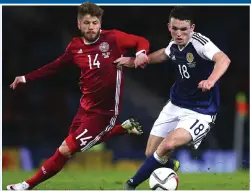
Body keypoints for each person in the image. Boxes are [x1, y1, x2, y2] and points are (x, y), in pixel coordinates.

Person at [7, 2, 150, 190]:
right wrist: (26, 77)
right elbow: (55, 65)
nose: (91, 27)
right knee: (70, 149)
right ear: (79, 25)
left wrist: (140, 53)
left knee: (65, 149)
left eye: (95, 22)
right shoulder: (75, 46)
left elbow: (141, 41)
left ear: (100, 23)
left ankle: (26, 185)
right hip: (85, 108)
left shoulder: (114, 38)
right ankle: (120, 129)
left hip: (104, 113)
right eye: (87, 23)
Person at [116, 6, 231, 190]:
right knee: (151, 153)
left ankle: (131, 184)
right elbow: (163, 54)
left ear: (192, 28)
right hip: (175, 105)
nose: (179, 33)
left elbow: (223, 59)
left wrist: (210, 81)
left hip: (200, 111)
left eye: (184, 29)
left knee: (168, 144)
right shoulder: (174, 44)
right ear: (169, 27)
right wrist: (133, 61)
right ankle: (171, 166)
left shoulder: (200, 43)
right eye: (175, 29)